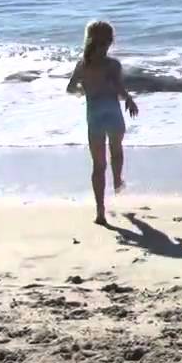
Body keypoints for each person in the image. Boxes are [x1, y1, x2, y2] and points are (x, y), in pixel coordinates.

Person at [66, 20, 139, 225]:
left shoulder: (82, 65)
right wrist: (129, 99)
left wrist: (84, 90)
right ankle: (117, 182)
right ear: (110, 41)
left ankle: (100, 211)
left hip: (95, 115)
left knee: (98, 166)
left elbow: (70, 88)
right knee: (116, 151)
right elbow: (118, 86)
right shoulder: (113, 64)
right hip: (113, 113)